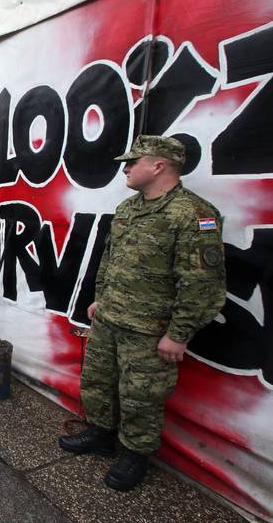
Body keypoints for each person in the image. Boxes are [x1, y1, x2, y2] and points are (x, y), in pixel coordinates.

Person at [58, 135, 227, 491]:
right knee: (98, 382)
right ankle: (102, 434)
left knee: (141, 396)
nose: (127, 168)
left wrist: (179, 333)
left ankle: (135, 454)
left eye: (133, 162)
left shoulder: (193, 215)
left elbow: (202, 283)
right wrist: (101, 298)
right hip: (110, 318)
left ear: (159, 165)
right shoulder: (128, 209)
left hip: (150, 329)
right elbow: (110, 259)